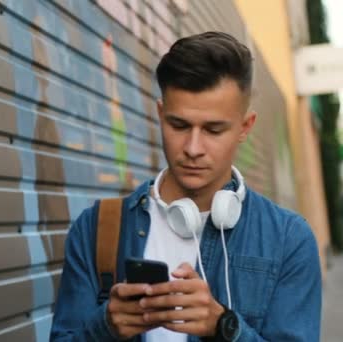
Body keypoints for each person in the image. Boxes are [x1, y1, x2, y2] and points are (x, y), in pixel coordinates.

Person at [50, 31, 321, 341]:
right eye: (179, 125)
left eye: (213, 129)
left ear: (245, 127)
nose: (193, 148)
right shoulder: (96, 228)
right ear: (160, 114)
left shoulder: (288, 240)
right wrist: (104, 328)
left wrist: (224, 327)